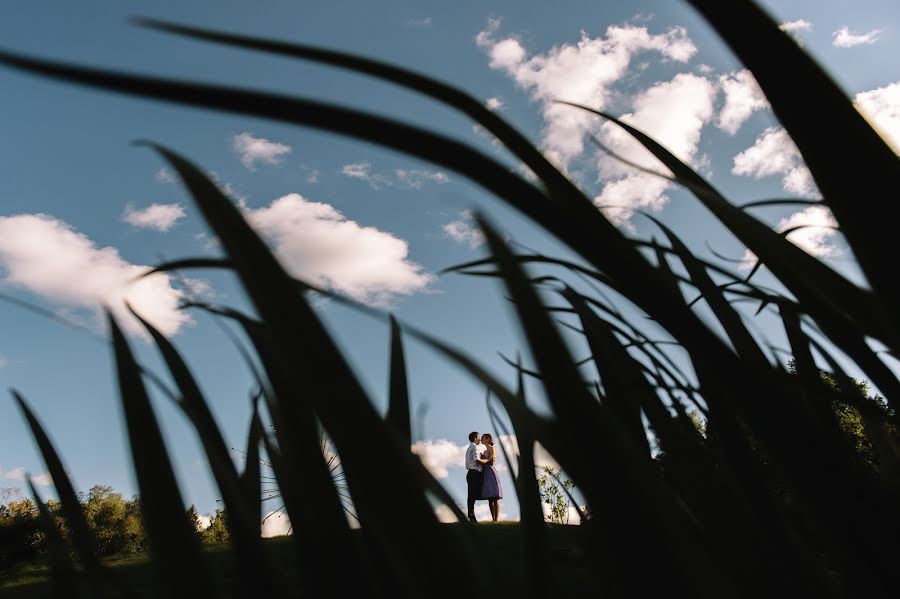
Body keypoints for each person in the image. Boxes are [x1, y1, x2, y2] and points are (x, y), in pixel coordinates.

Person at [464, 431, 488, 522]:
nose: (479, 439)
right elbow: (477, 460)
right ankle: (472, 517)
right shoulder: (475, 447)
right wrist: (487, 460)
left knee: (471, 495)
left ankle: (471, 516)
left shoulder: (469, 448)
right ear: (475, 438)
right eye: (478, 437)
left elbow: (467, 464)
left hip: (470, 472)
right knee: (472, 495)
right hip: (474, 473)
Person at [479, 433, 503, 522]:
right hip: (485, 473)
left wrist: (483, 460)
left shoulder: (491, 448)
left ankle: (496, 519)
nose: (481, 440)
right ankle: (493, 518)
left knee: (495, 497)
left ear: (488, 439)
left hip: (490, 472)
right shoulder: (484, 451)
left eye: (483, 438)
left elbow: (492, 460)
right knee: (489, 498)